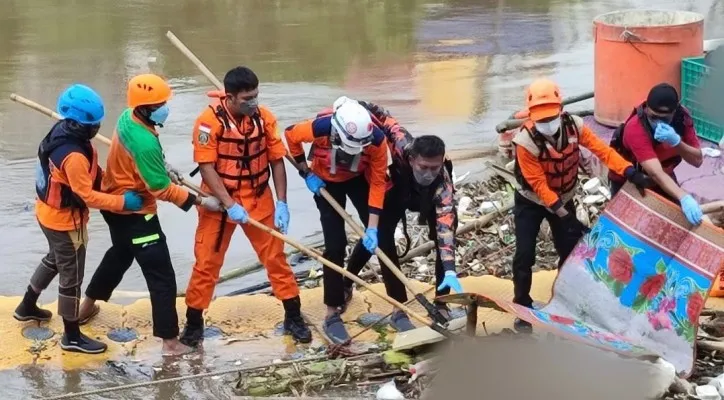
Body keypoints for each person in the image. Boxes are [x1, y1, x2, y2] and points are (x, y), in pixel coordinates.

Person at [78, 74, 221, 356]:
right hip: (135, 212)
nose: (164, 108)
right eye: (159, 104)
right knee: (162, 277)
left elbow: (144, 163)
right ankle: (170, 343)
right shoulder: (144, 141)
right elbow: (160, 189)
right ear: (144, 107)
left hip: (114, 205)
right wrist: (202, 201)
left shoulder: (126, 117)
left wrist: (162, 164)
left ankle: (85, 308)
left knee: (119, 255)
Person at [178, 66, 311, 347]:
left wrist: (283, 202)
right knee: (206, 263)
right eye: (247, 98)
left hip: (259, 197)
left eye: (256, 96)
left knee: (275, 258)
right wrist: (229, 204)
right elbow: (206, 167)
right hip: (219, 202)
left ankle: (293, 315)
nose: (253, 102)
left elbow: (276, 160)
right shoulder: (208, 123)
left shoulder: (264, 119)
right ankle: (193, 324)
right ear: (230, 97)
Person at [511, 78, 651, 332]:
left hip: (564, 195)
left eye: (550, 117)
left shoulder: (574, 127)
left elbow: (603, 151)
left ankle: (567, 302)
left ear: (560, 110)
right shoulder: (525, 142)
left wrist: (630, 171)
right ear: (531, 116)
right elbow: (539, 186)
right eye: (540, 120)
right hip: (530, 201)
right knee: (524, 255)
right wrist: (567, 218)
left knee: (569, 252)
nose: (546, 124)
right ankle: (522, 305)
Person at [14, 84, 143, 354]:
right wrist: (122, 202)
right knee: (71, 277)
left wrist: (109, 179)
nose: (96, 129)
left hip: (46, 214)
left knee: (54, 260)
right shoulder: (72, 155)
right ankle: (71, 335)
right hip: (65, 222)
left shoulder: (61, 133)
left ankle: (27, 305)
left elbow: (90, 171)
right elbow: (88, 197)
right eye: (92, 125)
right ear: (78, 124)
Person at [344, 101, 463, 329]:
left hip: (428, 199)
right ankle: (357, 287)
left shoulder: (443, 187)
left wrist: (450, 269)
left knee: (443, 245)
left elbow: (445, 232)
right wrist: (359, 107)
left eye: (434, 168)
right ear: (411, 159)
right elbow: (385, 120)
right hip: (399, 190)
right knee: (379, 238)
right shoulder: (402, 145)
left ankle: (442, 303)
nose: (429, 173)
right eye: (423, 167)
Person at [284, 96, 388, 343]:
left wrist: (372, 228)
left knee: (377, 233)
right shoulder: (320, 127)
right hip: (324, 181)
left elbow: (377, 182)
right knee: (335, 245)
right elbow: (290, 136)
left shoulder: (376, 140)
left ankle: (348, 279)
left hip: (357, 178)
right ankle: (332, 311)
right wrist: (304, 171)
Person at [608, 83, 704, 226]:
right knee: (629, 228)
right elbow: (655, 174)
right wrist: (684, 197)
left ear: (675, 112)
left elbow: (697, 160)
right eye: (653, 117)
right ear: (646, 109)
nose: (658, 122)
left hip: (665, 173)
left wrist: (677, 142)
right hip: (631, 179)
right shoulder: (635, 128)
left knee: (674, 225)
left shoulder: (682, 118)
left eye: (664, 119)